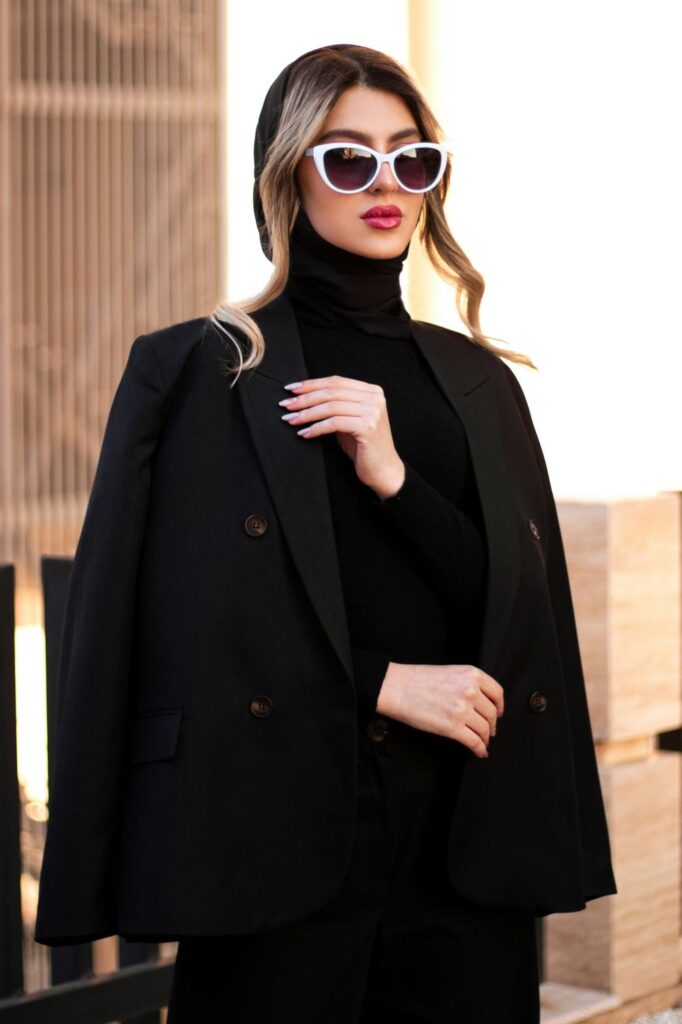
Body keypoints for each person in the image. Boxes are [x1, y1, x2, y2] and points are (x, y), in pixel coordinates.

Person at [34, 44, 617, 1023]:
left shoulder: (478, 382)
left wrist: (394, 480)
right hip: (271, 839)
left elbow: (510, 609)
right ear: (285, 174)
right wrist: (379, 683)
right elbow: (179, 629)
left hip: (461, 844)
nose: (386, 184)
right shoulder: (194, 372)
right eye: (348, 158)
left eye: (411, 157)